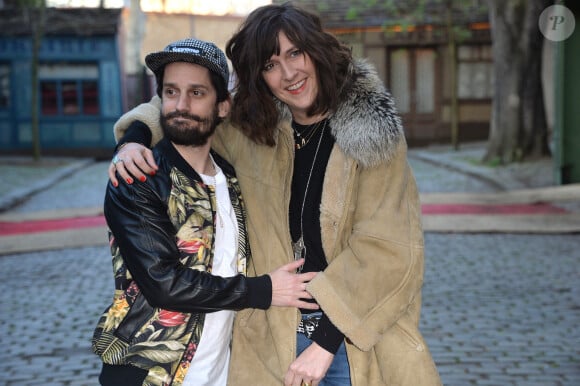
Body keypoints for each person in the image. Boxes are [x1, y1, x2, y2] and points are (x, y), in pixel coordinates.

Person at [109, 3, 442, 385]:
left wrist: (323, 345)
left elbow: (385, 249)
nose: (288, 74)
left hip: (347, 345)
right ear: (259, 78)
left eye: (294, 53)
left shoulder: (371, 136)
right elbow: (188, 104)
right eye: (270, 65)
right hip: (268, 341)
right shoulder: (255, 132)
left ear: (315, 52)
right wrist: (135, 139)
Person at [92, 37, 318, 386]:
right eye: (171, 92)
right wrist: (265, 290)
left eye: (197, 93)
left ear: (223, 106)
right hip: (147, 373)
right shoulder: (138, 177)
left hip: (219, 373)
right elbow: (164, 283)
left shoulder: (231, 177)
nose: (180, 105)